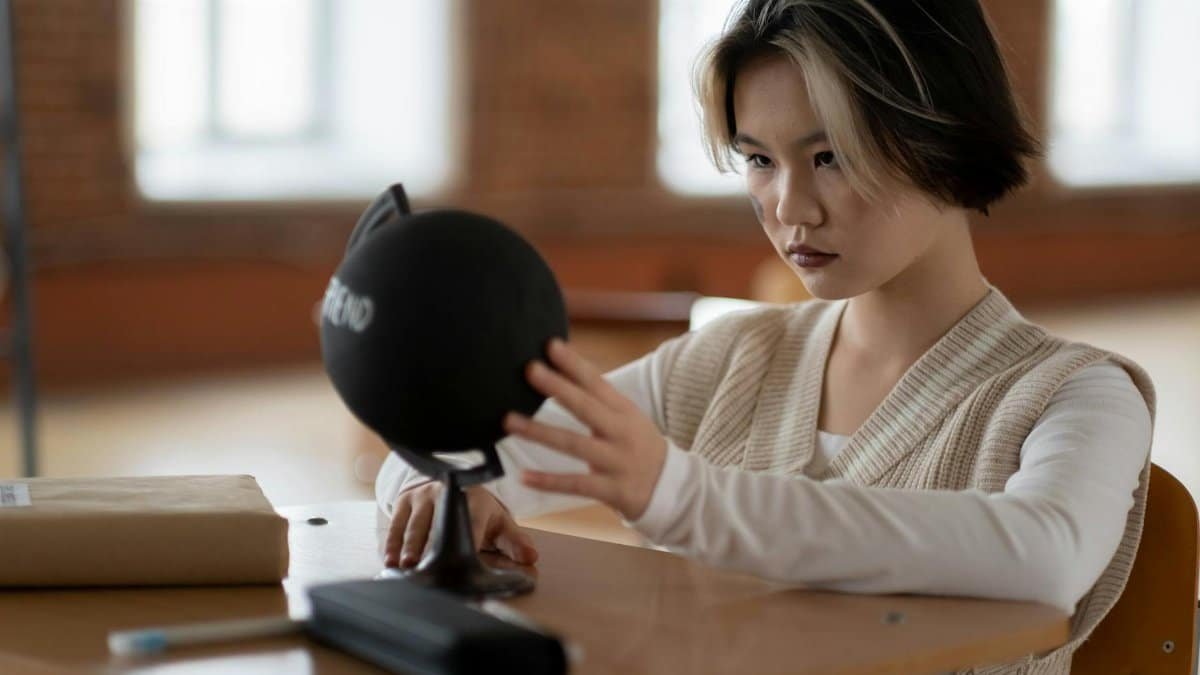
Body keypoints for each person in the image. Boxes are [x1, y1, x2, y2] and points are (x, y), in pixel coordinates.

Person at [376, 1, 1154, 672]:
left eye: (830, 156)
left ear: (944, 133)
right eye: (757, 159)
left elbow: (1044, 555)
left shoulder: (1077, 393)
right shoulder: (729, 360)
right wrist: (438, 497)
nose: (790, 208)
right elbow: (457, 450)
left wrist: (682, 496)